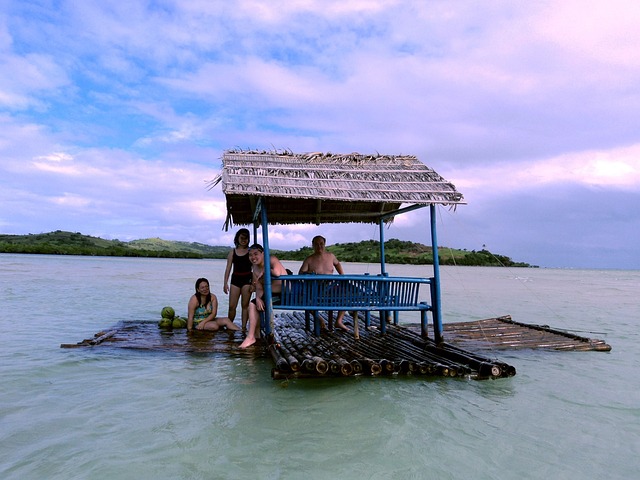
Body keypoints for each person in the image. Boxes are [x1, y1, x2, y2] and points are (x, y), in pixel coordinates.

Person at [239, 244, 288, 349]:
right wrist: (258, 298)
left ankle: (251, 337)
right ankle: (256, 335)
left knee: (252, 305)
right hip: (269, 295)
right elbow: (259, 287)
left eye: (256, 254)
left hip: (285, 295)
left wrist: (265, 270)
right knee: (254, 303)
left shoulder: (271, 259)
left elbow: (277, 273)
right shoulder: (254, 268)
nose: (253, 257)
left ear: (263, 254)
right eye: (250, 255)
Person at [298, 235, 349, 331]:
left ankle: (339, 321)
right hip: (315, 289)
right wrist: (309, 273)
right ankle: (319, 319)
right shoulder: (309, 259)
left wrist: (342, 275)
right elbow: (301, 273)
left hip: (331, 287)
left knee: (346, 294)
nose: (319, 246)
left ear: (325, 244)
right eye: (316, 244)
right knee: (303, 299)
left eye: (321, 244)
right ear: (312, 245)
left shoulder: (331, 256)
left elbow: (337, 264)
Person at [223, 228, 252, 331]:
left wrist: (254, 283)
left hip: (247, 279)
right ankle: (229, 325)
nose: (244, 240)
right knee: (232, 306)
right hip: (235, 279)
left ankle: (244, 328)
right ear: (237, 238)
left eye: (246, 238)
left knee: (245, 305)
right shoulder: (232, 252)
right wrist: (225, 283)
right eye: (242, 238)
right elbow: (228, 268)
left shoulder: (250, 252)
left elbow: (256, 267)